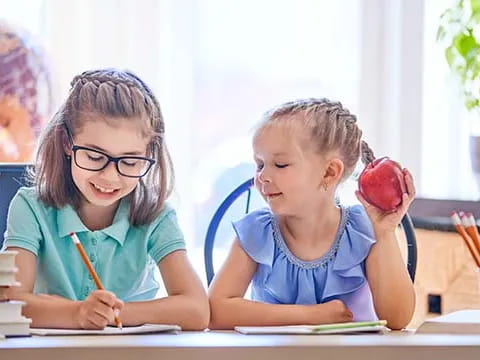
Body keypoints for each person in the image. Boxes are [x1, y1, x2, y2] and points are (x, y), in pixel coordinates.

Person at [3, 69, 209, 330]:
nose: (110, 177)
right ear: (67, 143)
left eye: (131, 161)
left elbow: (197, 310)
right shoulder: (30, 207)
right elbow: (12, 304)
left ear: (149, 154)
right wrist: (78, 314)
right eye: (95, 157)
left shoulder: (157, 216)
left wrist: (113, 313)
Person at [209, 98, 416, 330]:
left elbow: (397, 319)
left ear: (329, 172)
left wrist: (385, 233)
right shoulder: (257, 232)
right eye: (259, 164)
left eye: (280, 165)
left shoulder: (363, 230)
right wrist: (310, 315)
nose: (263, 177)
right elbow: (216, 311)